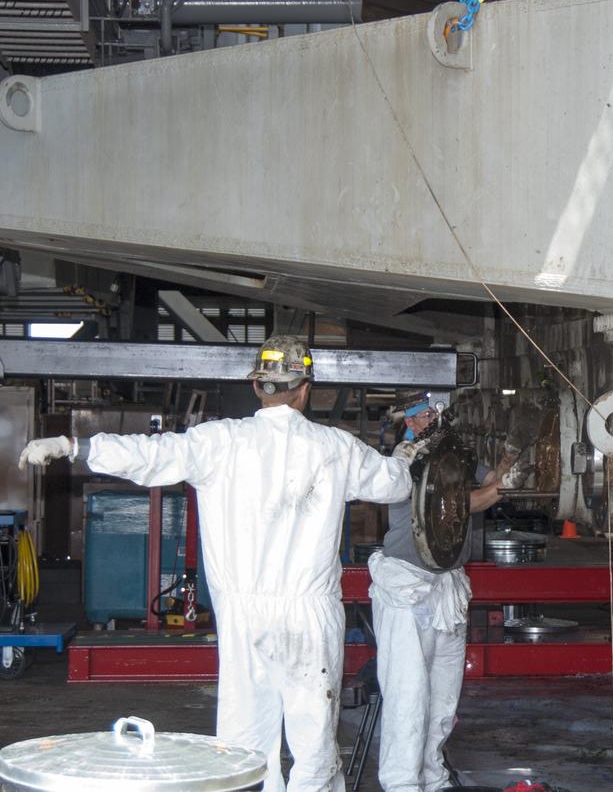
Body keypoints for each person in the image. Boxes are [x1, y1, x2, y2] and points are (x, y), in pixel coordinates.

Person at [19, 335, 413, 792]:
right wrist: (405, 455)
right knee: (315, 745)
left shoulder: (219, 441)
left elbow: (148, 455)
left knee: (245, 747)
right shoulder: (336, 447)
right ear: (305, 388)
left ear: (257, 387)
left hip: (244, 619)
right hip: (309, 615)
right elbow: (395, 486)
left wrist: (75, 446)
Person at [368, 390, 514, 792]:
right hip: (406, 587)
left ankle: (432, 777)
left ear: (439, 413)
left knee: (443, 696)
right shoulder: (407, 458)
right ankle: (401, 783)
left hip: (444, 587)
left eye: (423, 415)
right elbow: (459, 502)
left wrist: (506, 465)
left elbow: (487, 479)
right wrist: (499, 488)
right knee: (408, 693)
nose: (416, 424)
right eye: (411, 418)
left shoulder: (456, 453)